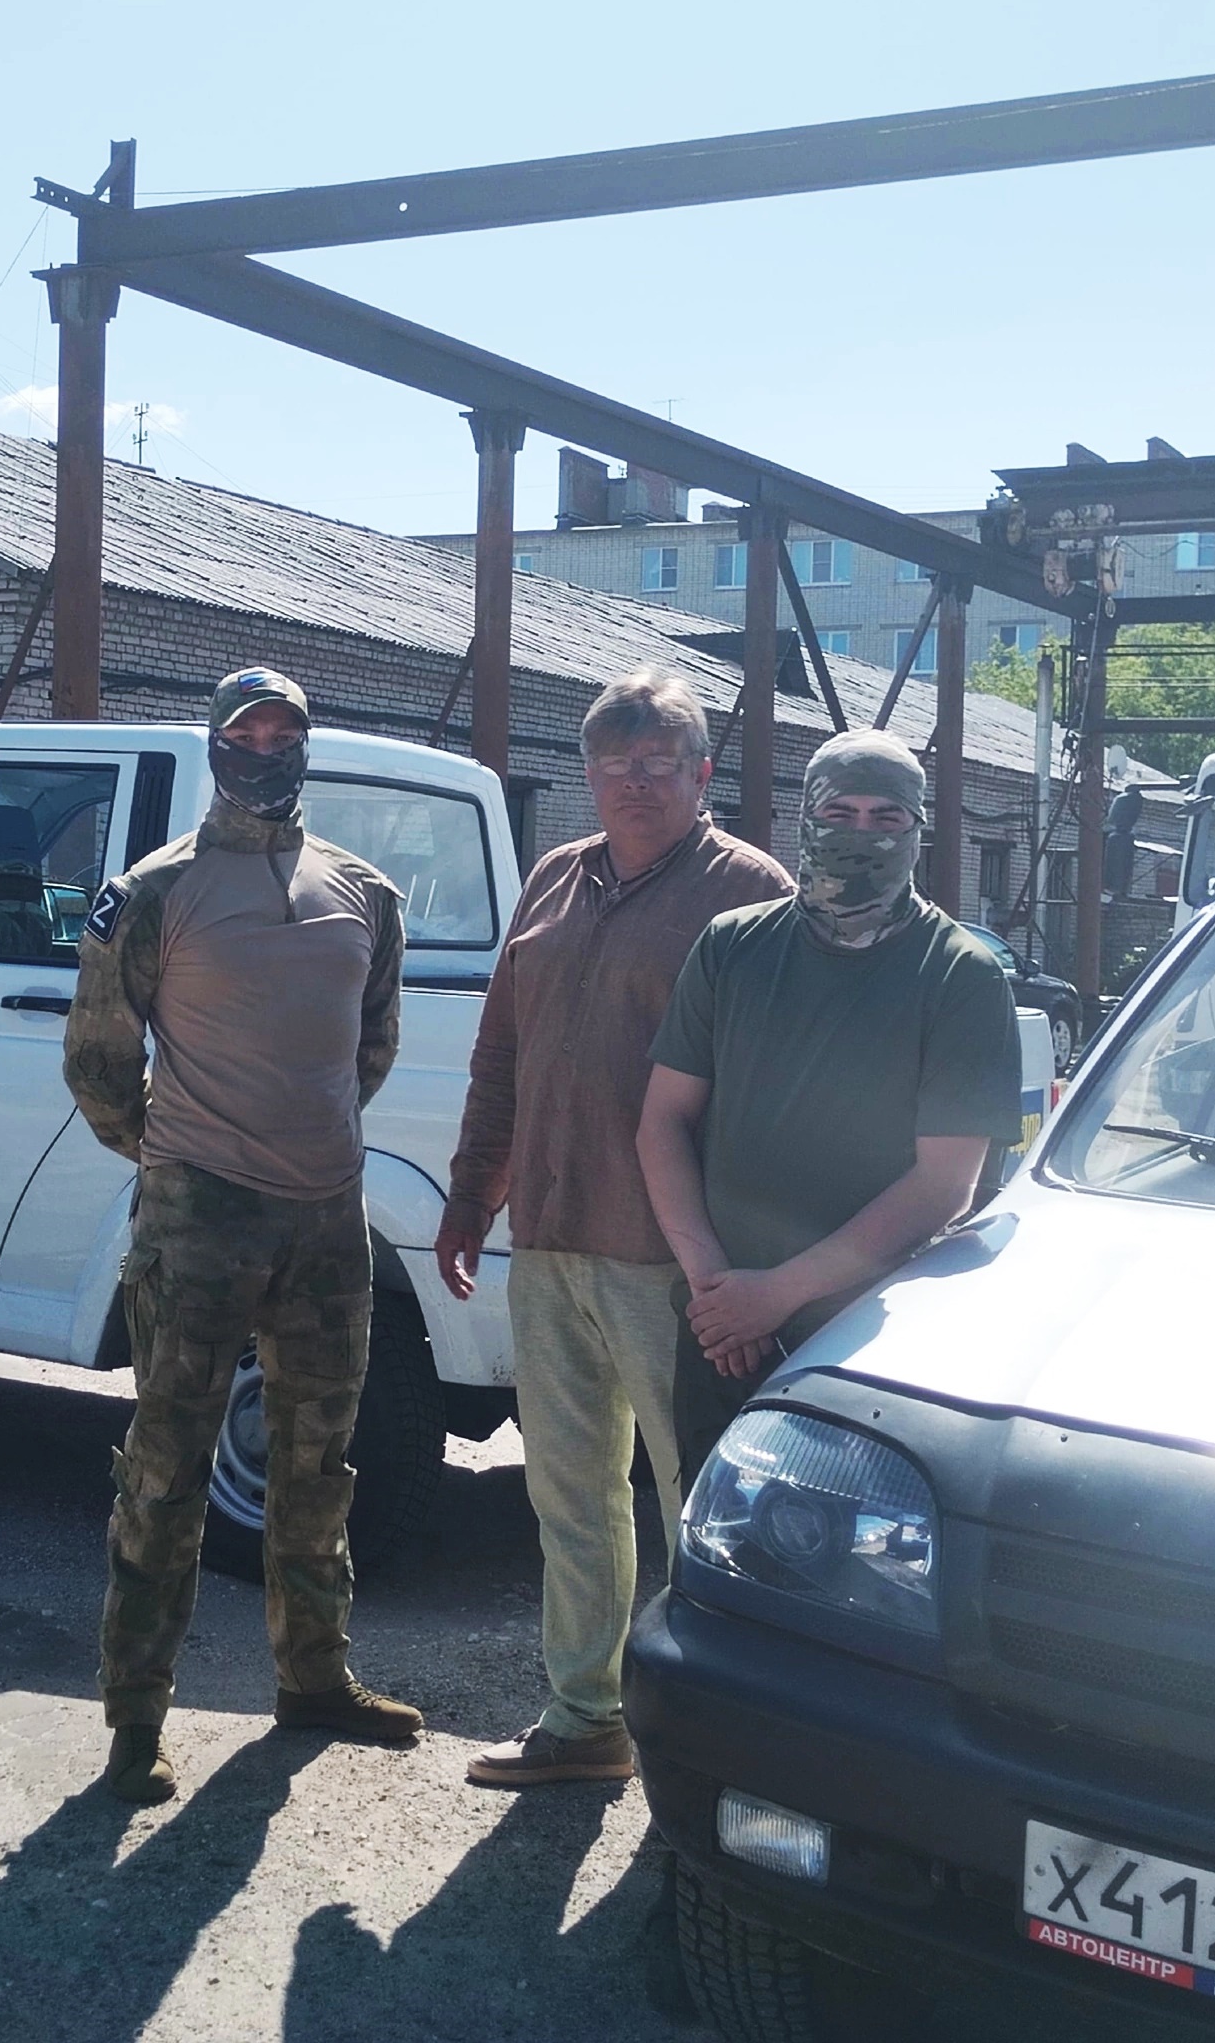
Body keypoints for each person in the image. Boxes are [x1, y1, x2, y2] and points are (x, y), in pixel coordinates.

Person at [64, 666, 421, 1807]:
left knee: (316, 1462)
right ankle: (135, 1722)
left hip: (327, 1218)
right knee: (167, 1468)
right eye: (246, 735)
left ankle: (314, 1679)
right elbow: (99, 1059)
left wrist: (306, 1141)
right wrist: (178, 1159)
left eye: (284, 735)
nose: (266, 751)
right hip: (199, 1218)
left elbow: (370, 1048)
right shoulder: (154, 891)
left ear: (306, 746)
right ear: (216, 746)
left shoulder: (365, 894)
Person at [435, 669, 792, 1787]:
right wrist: (472, 1191)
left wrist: (747, 1265)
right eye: (613, 763)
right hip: (549, 1235)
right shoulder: (555, 876)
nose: (635, 782)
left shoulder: (751, 892)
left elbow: (776, 1095)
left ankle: (717, 1750)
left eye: (658, 763)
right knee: (571, 1493)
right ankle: (585, 1719)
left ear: (702, 773)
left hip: (674, 1260)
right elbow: (502, 1051)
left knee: (701, 1503)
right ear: (586, 774)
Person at [636, 728, 1024, 1488]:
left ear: (918, 830)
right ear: (805, 819)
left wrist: (776, 1296)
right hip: (722, 1332)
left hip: (870, 1342)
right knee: (711, 1537)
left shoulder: (961, 976)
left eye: (886, 818)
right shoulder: (732, 947)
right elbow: (662, 1123)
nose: (860, 834)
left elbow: (943, 1184)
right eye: (840, 813)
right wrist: (719, 1291)